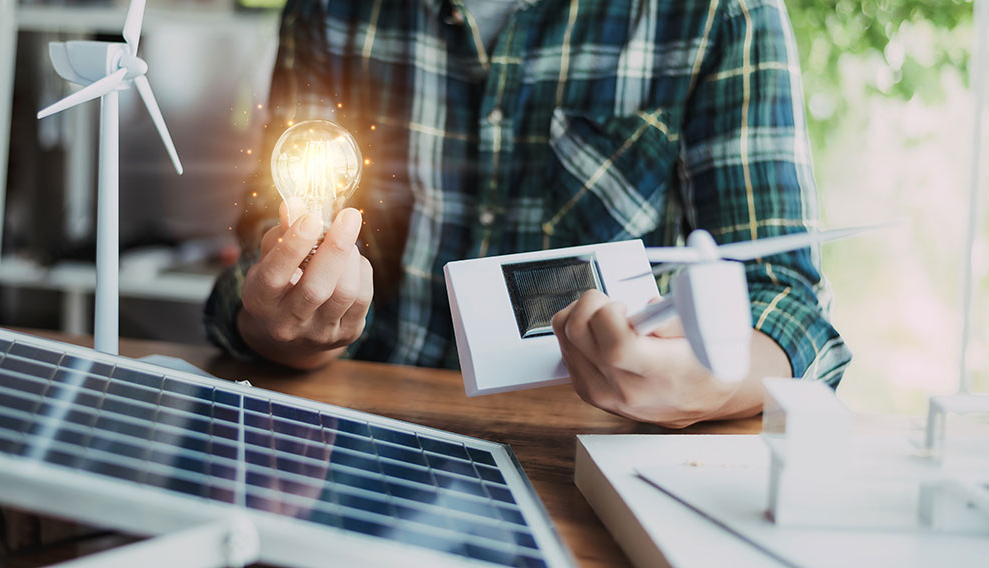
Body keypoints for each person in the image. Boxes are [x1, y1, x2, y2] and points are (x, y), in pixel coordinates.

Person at [205, 0, 851, 428]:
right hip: (362, 430)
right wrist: (289, 322)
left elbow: (783, 303)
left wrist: (709, 383)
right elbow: (265, 263)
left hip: (588, 448)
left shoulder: (718, 13)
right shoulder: (325, 10)